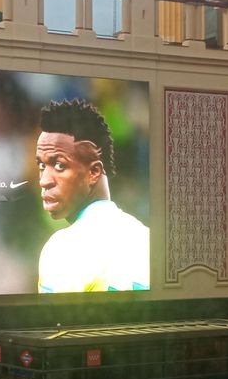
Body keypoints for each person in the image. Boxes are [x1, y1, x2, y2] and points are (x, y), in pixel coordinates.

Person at [35, 99, 149, 293]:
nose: (44, 180)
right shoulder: (148, 239)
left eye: (60, 165)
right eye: (41, 165)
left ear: (94, 172)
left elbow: (58, 322)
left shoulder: (62, 250)